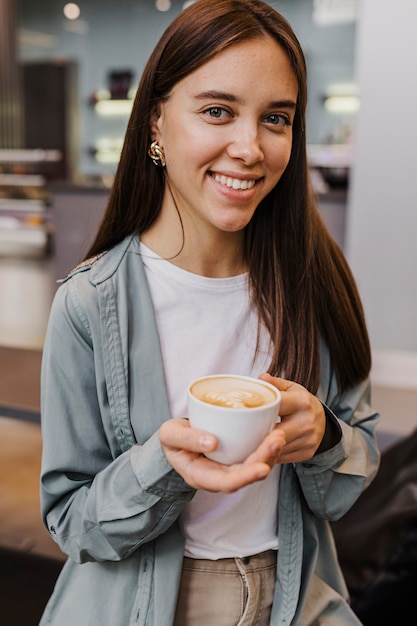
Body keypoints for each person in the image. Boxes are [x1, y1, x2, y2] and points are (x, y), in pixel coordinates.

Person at [39, 0, 380, 624]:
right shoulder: (90, 304)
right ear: (155, 124)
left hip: (295, 596)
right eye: (218, 111)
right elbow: (72, 523)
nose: (249, 147)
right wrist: (161, 467)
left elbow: (349, 481)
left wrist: (325, 437)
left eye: (275, 118)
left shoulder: (317, 282)